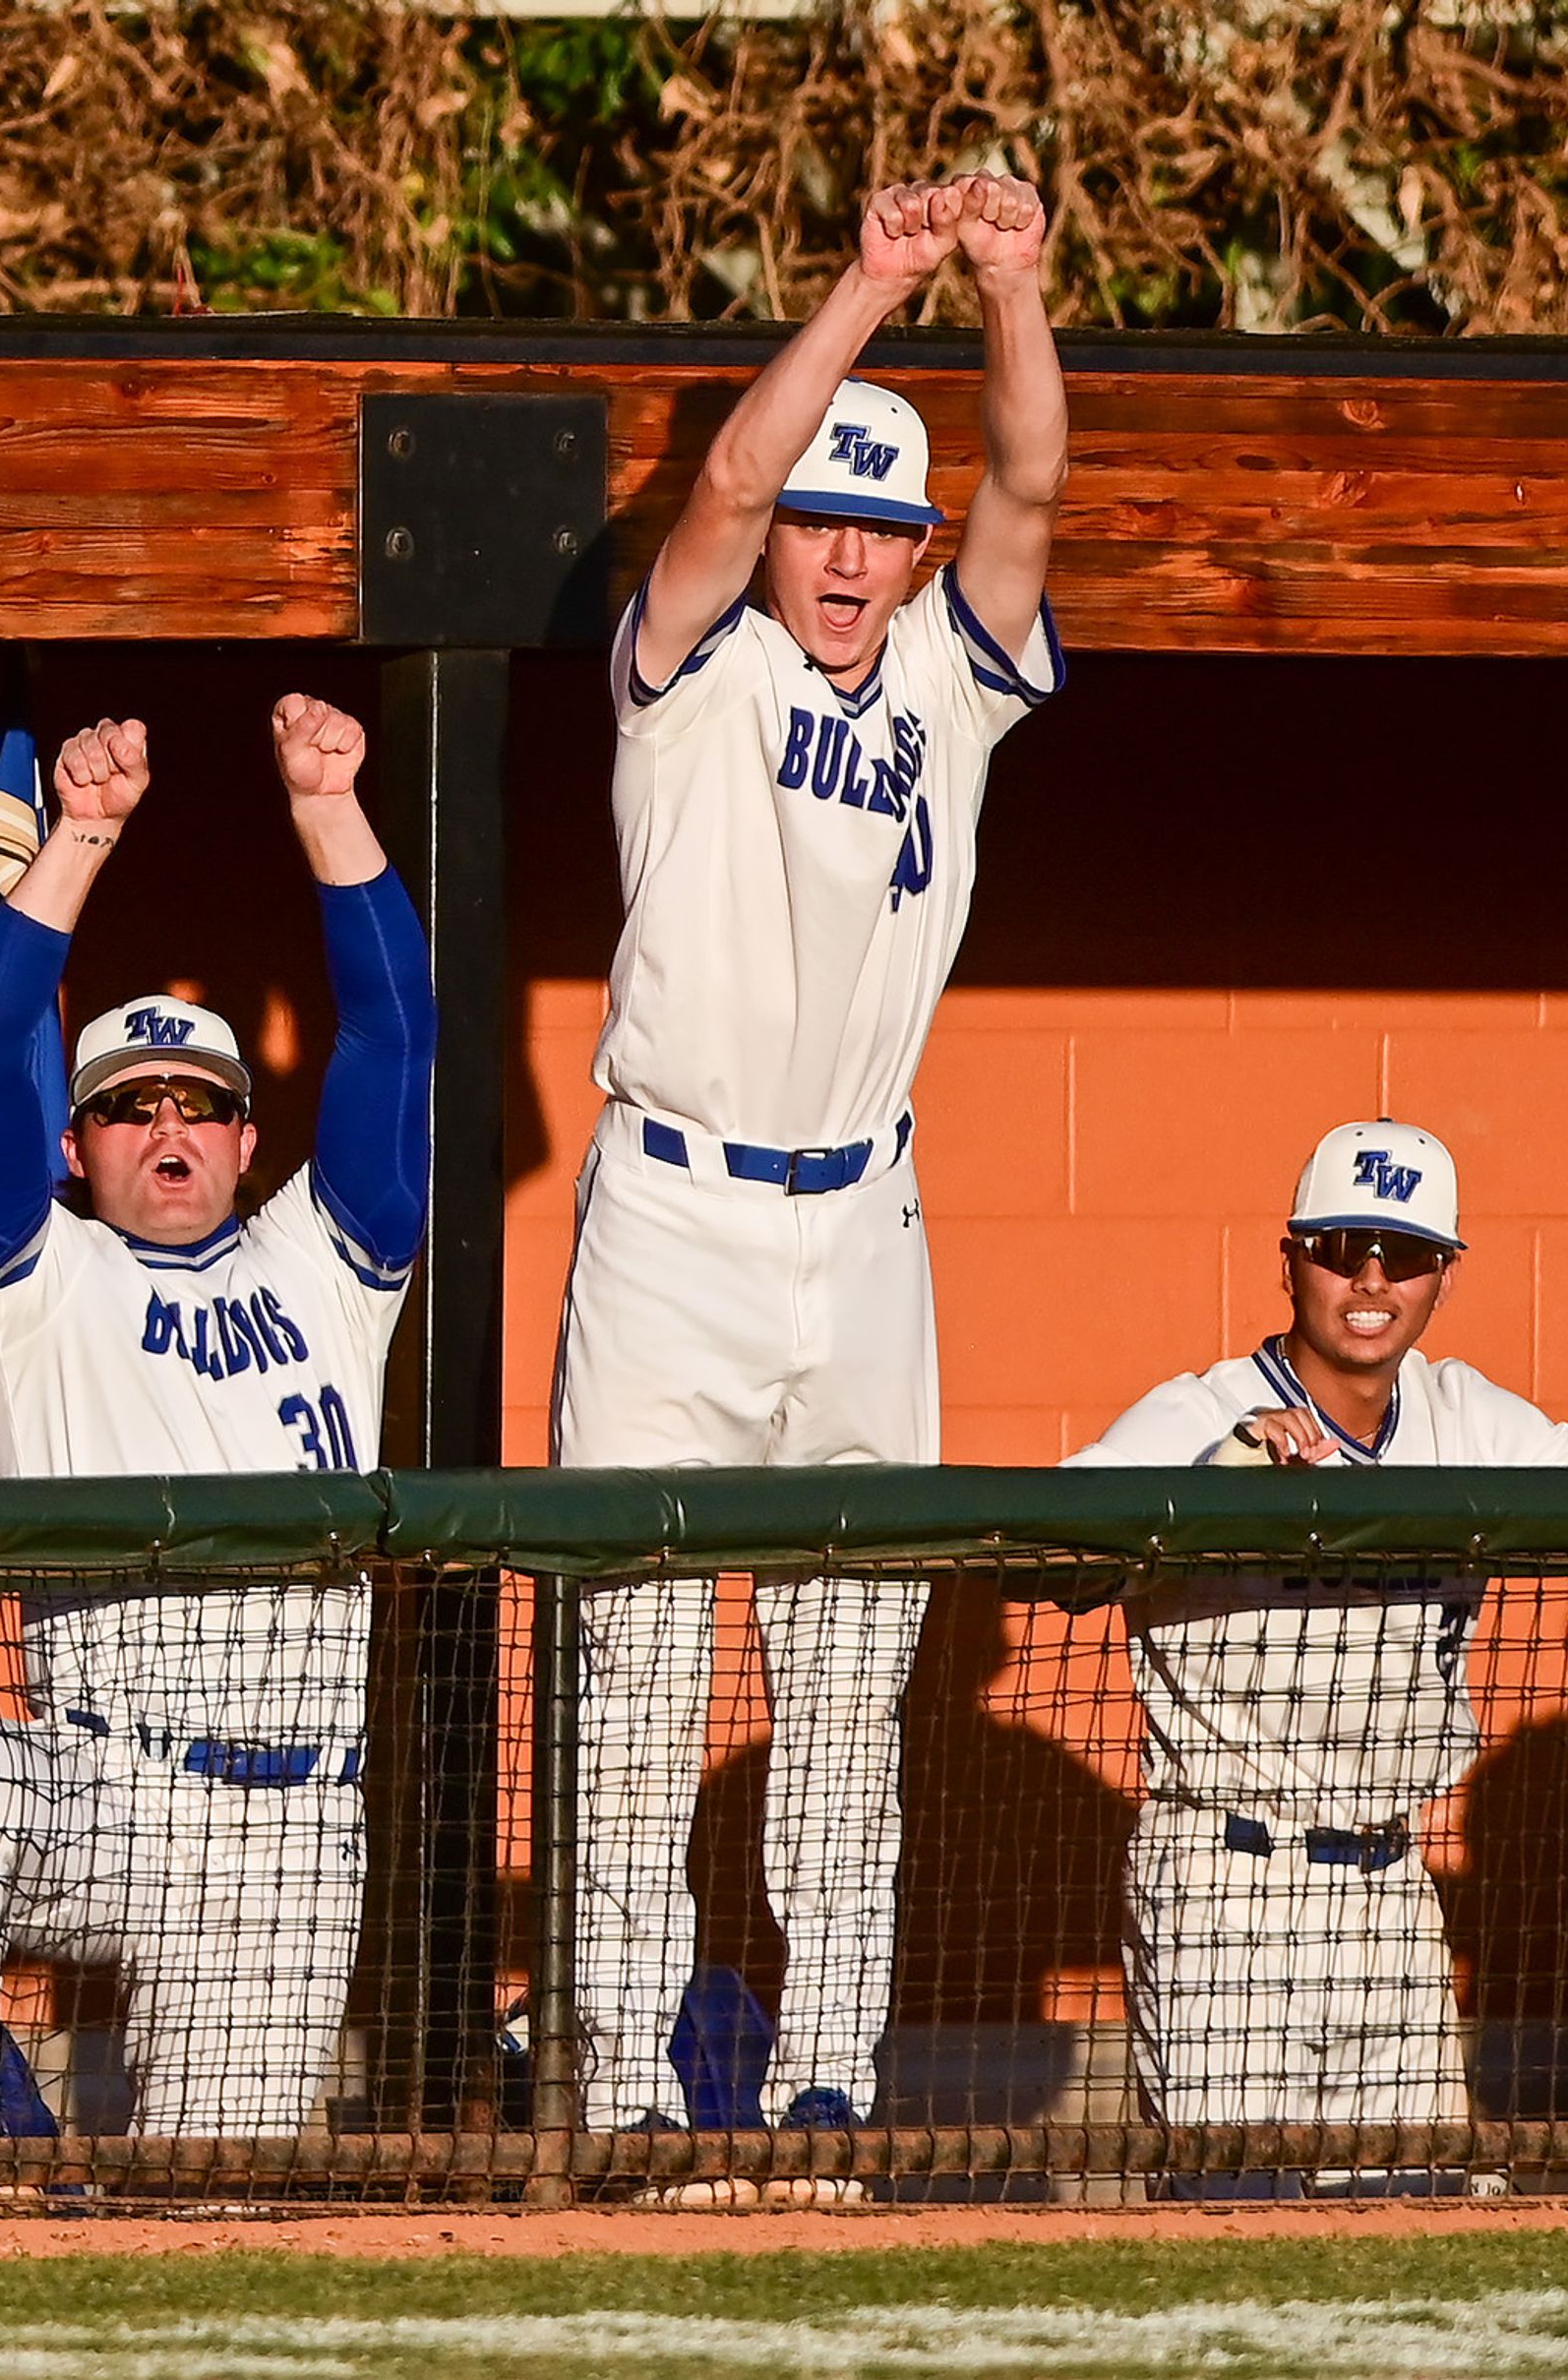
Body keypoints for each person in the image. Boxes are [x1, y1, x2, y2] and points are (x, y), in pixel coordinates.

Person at [551, 171, 1070, 2135]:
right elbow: (713, 500)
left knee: (849, 1696)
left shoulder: (946, 668)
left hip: (867, 1223)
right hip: (674, 1206)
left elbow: (1026, 497)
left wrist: (1012, 292)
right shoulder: (697, 668)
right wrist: (871, 283)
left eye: (879, 528)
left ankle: (831, 2084)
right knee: (634, 1675)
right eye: (824, 522)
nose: (844, 560)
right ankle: (620, 2092)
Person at [0, 692, 433, 2138]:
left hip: (298, 1824)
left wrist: (328, 810)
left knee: (222, 2224)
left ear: (249, 1135)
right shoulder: (30, 1276)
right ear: (79, 1141)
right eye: (130, 1105)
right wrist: (83, 838)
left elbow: (397, 1032)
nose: (168, 1127)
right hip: (106, 1781)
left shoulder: (330, 1256)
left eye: (199, 1102)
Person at [1062, 1121, 1568, 2180]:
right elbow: (1051, 1564)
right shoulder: (1205, 1407)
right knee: (1236, 2219)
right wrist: (1213, 1481)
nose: (1370, 1276)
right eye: (1342, 1244)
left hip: (1389, 1887)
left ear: (1442, 1273)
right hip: (1225, 1877)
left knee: (1415, 2217)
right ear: (1290, 1258)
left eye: (1403, 1253)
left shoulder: (1465, 1413)